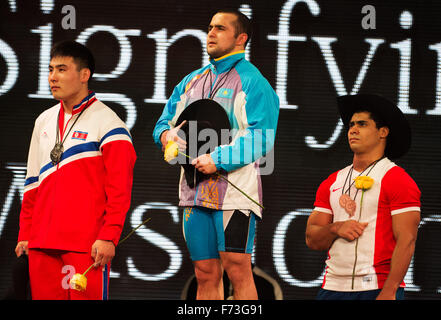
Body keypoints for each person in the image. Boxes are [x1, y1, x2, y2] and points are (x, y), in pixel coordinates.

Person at [153, 9, 279, 299]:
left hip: (234, 193)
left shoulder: (253, 82)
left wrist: (218, 159)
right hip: (193, 190)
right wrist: (166, 135)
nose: (211, 33)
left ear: (241, 38)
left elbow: (262, 137)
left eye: (220, 28)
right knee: (204, 273)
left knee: (237, 269)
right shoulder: (191, 81)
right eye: (209, 27)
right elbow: (162, 123)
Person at [15, 41, 136, 300]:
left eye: (61, 69)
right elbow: (32, 182)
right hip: (41, 243)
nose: (52, 77)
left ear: (84, 75)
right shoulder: (44, 120)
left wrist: (109, 236)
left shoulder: (110, 124)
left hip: (86, 245)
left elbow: (120, 189)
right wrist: (26, 232)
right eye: (50, 70)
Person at [305, 94, 421, 300]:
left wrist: (390, 290)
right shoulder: (332, 182)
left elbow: (407, 240)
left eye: (362, 124)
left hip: (377, 288)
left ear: (383, 132)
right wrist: (335, 228)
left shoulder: (397, 179)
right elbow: (312, 239)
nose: (353, 129)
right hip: (331, 288)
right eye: (351, 124)